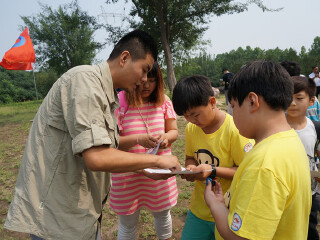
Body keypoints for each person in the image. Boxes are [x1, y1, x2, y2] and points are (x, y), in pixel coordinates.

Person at [4, 30, 181, 240]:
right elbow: (97, 157)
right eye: (144, 70)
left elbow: (106, 151)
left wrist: (145, 169)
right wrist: (156, 162)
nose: (144, 79)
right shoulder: (85, 81)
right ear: (125, 58)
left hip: (79, 214)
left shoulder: (106, 94)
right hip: (58, 220)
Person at [204, 60, 312, 239]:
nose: (232, 114)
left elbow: (241, 237)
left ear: (252, 101)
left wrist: (216, 207)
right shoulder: (290, 141)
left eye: (234, 106)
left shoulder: (265, 164)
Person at [172, 75, 254, 240]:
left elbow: (247, 172)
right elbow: (190, 158)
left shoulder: (235, 130)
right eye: (186, 116)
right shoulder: (191, 129)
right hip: (199, 209)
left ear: (212, 102)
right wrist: (190, 168)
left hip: (229, 210)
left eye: (195, 115)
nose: (191, 121)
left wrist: (212, 170)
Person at [109, 62, 178, 240]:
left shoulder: (164, 101)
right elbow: (112, 144)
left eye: (153, 80)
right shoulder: (120, 102)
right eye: (143, 80)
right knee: (128, 224)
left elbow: (174, 131)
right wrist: (139, 139)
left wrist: (166, 138)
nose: (147, 85)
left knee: (162, 215)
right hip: (128, 175)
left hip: (158, 173)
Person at [286, 76, 320, 240]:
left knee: (309, 228)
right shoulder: (276, 127)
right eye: (288, 97)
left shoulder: (314, 127)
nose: (292, 103)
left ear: (312, 100)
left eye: (299, 98)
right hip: (285, 190)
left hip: (309, 191)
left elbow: (315, 154)